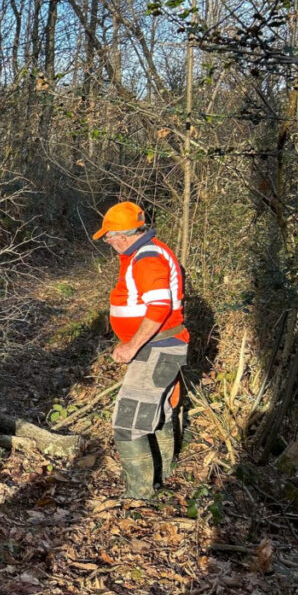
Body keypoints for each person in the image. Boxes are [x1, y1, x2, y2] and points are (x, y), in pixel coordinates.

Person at [93, 201, 188, 500]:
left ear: (122, 235)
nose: (107, 242)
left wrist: (132, 345)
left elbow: (159, 306)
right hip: (161, 346)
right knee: (157, 412)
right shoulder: (147, 252)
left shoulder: (147, 258)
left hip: (157, 348)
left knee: (128, 421)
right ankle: (163, 476)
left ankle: (139, 496)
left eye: (108, 236)